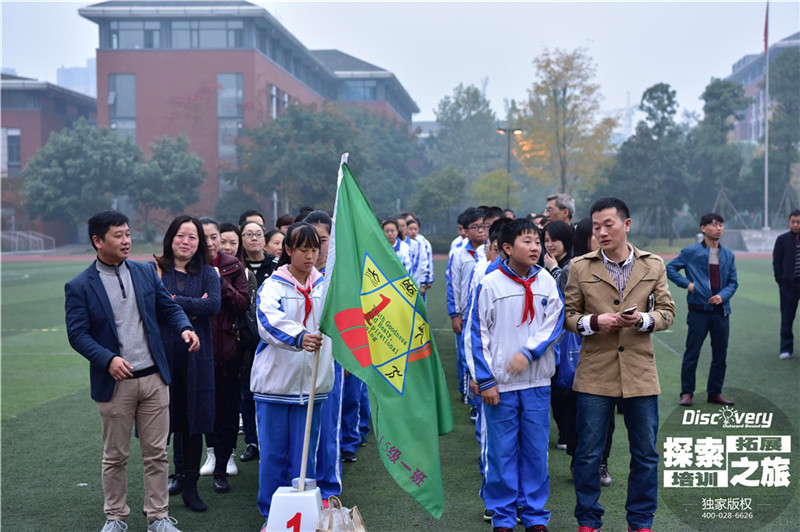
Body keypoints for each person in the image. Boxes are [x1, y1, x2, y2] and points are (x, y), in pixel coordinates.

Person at [65, 210, 200, 532]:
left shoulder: (143, 272)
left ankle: (158, 517)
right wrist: (107, 359)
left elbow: (168, 306)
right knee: (115, 456)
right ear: (98, 241)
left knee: (157, 454)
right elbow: (78, 334)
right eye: (118, 235)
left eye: (128, 233)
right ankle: (115, 517)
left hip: (154, 378)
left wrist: (184, 327)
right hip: (115, 384)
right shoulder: (80, 286)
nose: (127, 240)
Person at [564, 197, 675, 532]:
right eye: (596, 227)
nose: (601, 232)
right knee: (587, 454)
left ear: (626, 225)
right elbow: (569, 316)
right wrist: (595, 321)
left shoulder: (653, 264)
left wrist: (642, 319)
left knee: (645, 453)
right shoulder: (580, 267)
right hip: (595, 372)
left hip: (640, 372)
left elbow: (667, 312)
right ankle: (588, 520)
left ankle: (640, 521)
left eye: (608, 225)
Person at [467, 218, 564, 532]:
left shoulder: (546, 281)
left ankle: (534, 515)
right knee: (502, 453)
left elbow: (554, 321)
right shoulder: (490, 283)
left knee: (536, 452)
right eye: (527, 241)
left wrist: (529, 353)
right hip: (501, 387)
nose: (536, 247)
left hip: (537, 382)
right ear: (506, 248)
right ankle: (503, 516)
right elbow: (476, 334)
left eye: (537, 241)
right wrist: (486, 380)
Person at [250, 222, 334, 526]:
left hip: (314, 384)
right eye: (303, 249)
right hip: (275, 384)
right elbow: (268, 322)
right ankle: (272, 516)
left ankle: (303, 516)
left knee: (305, 458)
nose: (310, 255)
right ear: (288, 250)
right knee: (273, 456)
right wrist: (300, 337)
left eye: (315, 248)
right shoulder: (272, 285)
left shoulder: (326, 285)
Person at [153, 215, 221, 513]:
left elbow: (213, 305)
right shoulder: (153, 270)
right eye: (181, 235)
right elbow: (154, 305)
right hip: (162, 360)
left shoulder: (207, 273)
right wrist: (190, 304)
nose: (186, 242)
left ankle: (191, 488)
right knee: (159, 429)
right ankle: (157, 492)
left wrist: (172, 299)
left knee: (193, 425)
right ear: (170, 238)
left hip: (196, 360)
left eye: (193, 237)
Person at [199, 217, 251, 493]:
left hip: (229, 350)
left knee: (228, 410)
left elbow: (243, 304)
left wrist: (221, 283)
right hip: (198, 351)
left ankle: (222, 466)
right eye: (203, 237)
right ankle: (188, 471)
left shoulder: (233, 267)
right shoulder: (189, 268)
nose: (210, 242)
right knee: (199, 410)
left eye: (214, 236)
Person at [667, 213, 738, 406]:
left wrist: (722, 296)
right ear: (703, 228)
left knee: (720, 355)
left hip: (721, 311)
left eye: (721, 225)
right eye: (714, 225)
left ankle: (715, 392)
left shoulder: (728, 255)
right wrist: (688, 284)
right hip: (698, 310)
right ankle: (687, 393)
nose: (719, 228)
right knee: (692, 352)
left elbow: (733, 282)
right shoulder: (691, 252)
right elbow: (670, 269)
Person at [304, 211, 345, 500]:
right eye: (309, 242)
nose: (315, 249)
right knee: (300, 432)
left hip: (330, 363)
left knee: (328, 429)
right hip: (295, 366)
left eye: (322, 241)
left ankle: (328, 490)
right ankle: (299, 486)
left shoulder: (339, 279)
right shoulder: (286, 277)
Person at [447, 207, 487, 408]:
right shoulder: (459, 254)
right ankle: (471, 399)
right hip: (465, 313)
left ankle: (482, 395)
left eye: (483, 226)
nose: (480, 231)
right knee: (466, 355)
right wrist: (455, 314)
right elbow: (453, 284)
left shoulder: (491, 251)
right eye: (475, 227)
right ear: (465, 230)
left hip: (487, 314)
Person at [772, 209, 800, 360]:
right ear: (789, 222)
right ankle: (786, 348)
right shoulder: (782, 240)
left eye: (798, 222)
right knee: (787, 317)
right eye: (793, 222)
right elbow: (776, 261)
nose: (796, 225)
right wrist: (780, 280)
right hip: (788, 285)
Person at [241, 221, 278, 288]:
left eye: (259, 234)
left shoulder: (275, 264)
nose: (254, 238)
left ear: (264, 240)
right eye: (249, 234)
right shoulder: (238, 264)